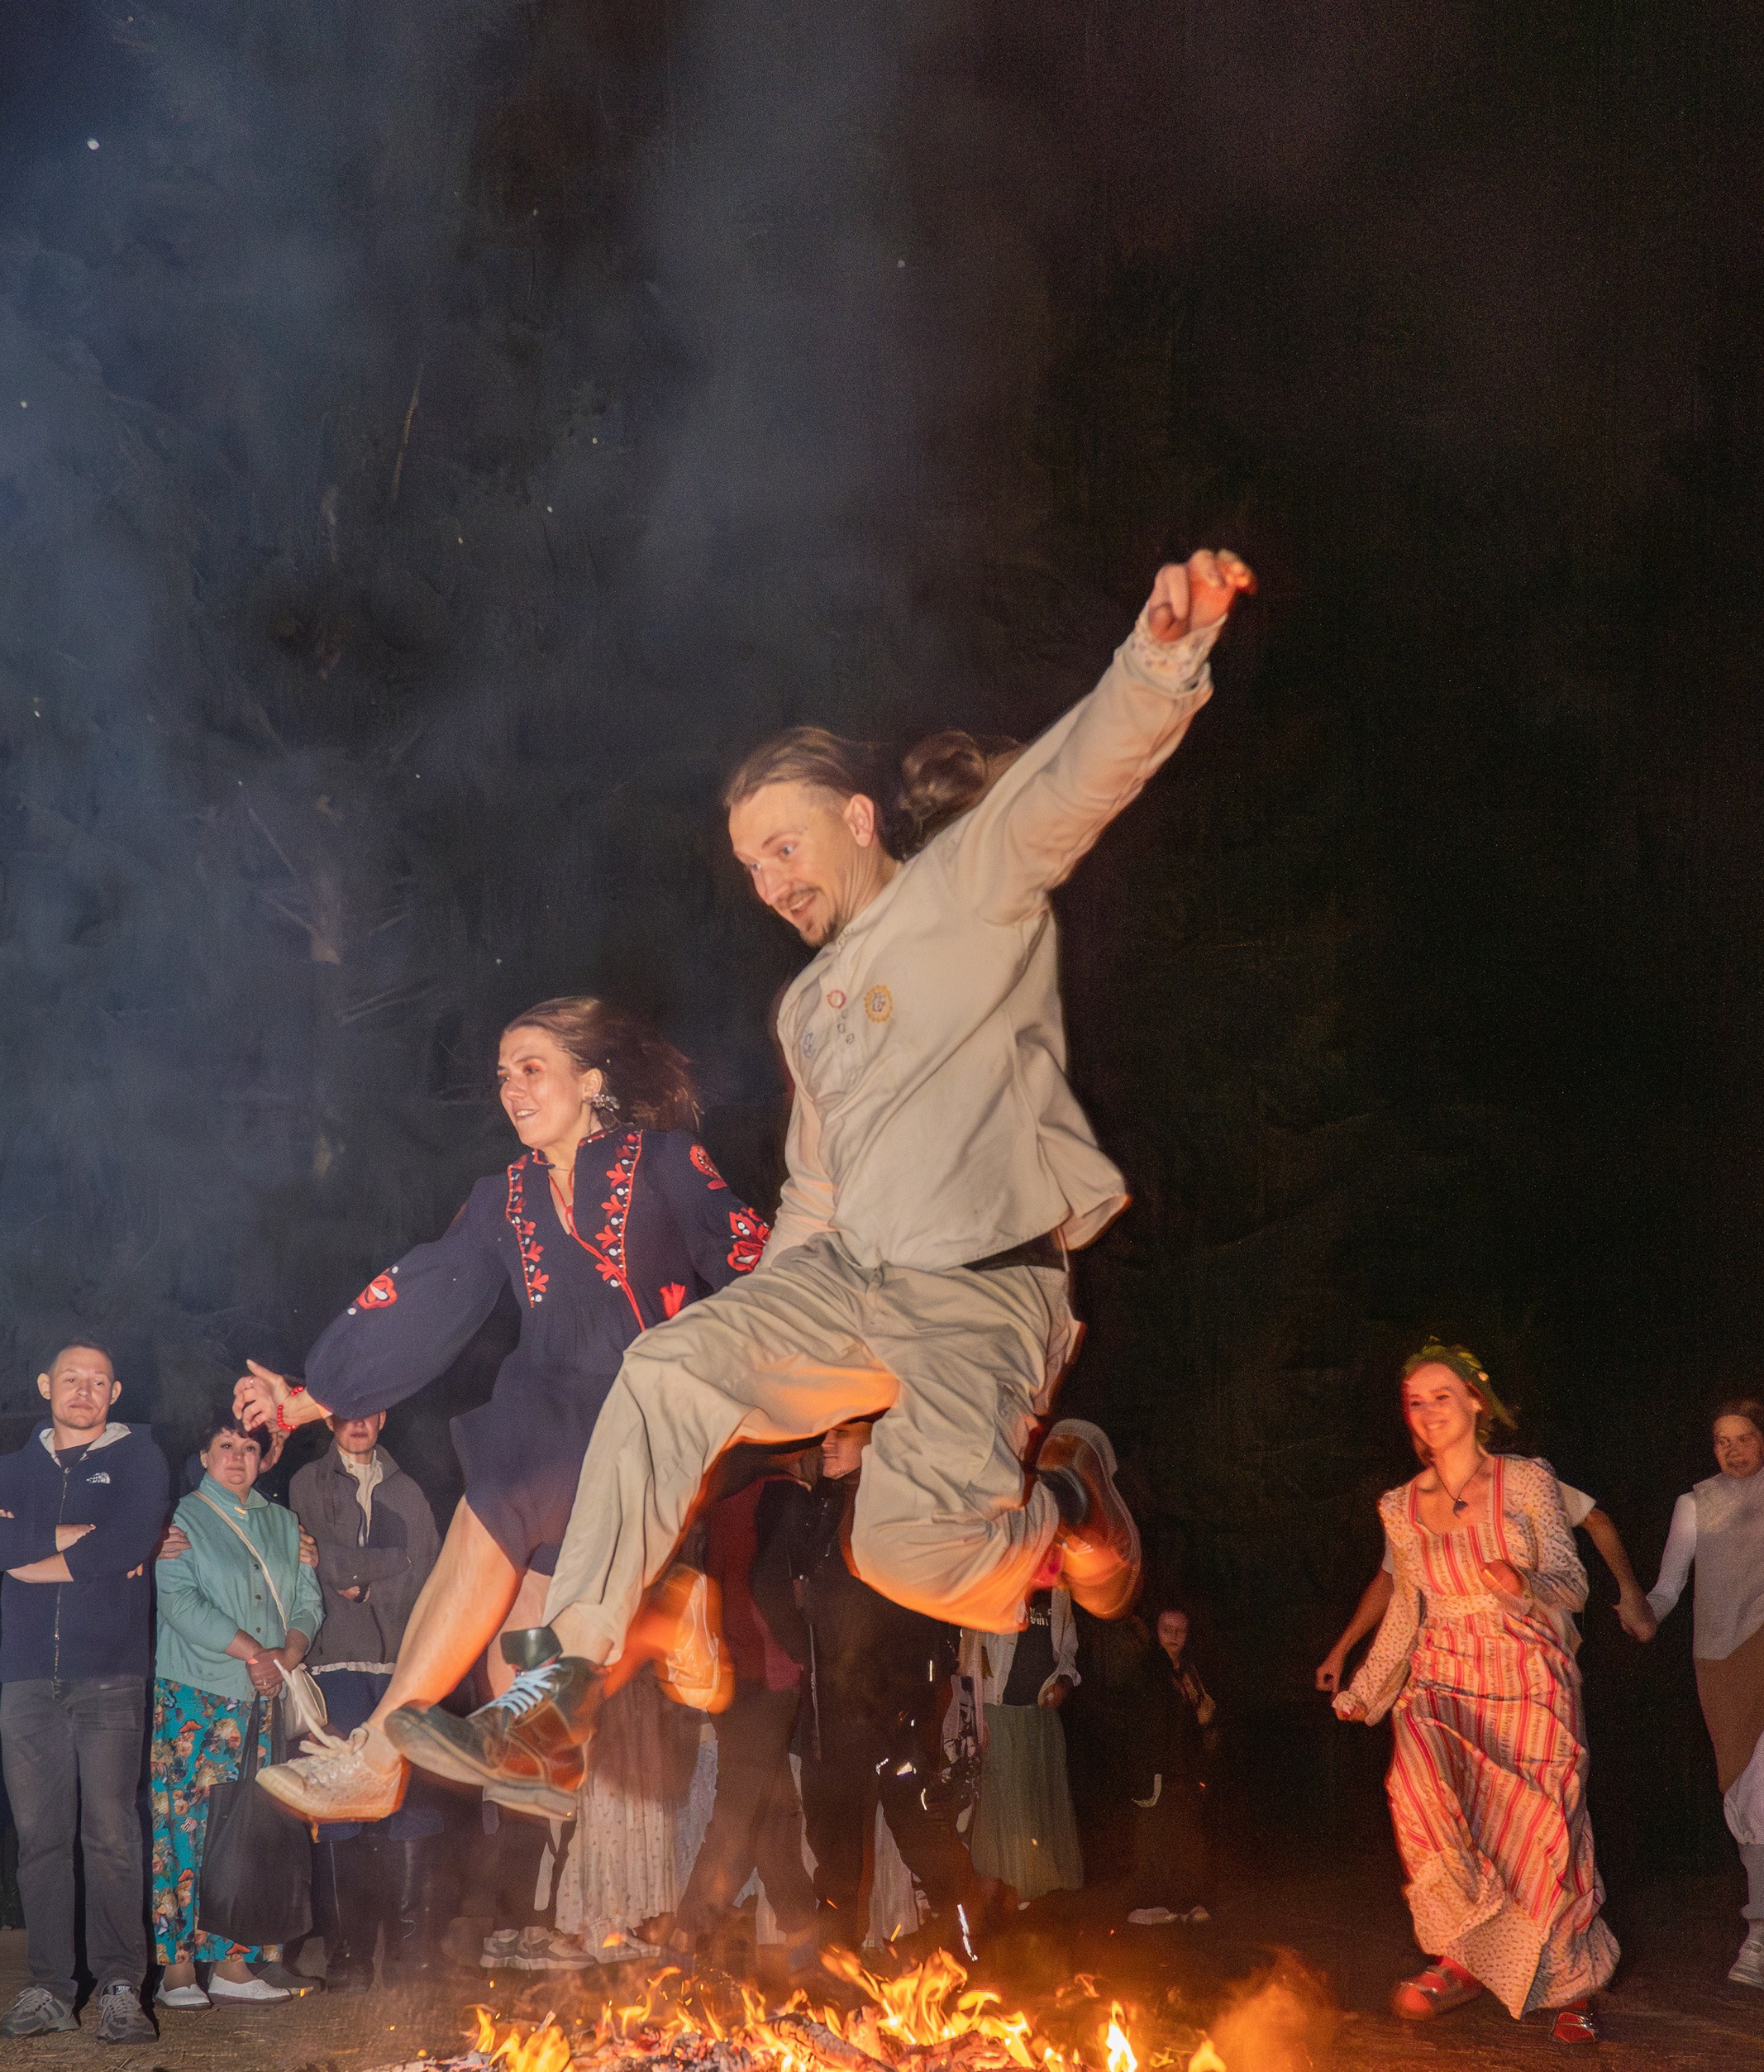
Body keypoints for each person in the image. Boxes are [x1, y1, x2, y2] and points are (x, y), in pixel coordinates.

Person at [394, 549, 1254, 1818]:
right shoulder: (808, 1006)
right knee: (670, 1365)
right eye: (749, 866)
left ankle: (1072, 1498)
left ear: (858, 819)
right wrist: (762, 1350)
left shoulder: (967, 892)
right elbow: (814, 1195)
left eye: (785, 846)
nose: (771, 881)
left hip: (982, 1290)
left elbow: (1073, 786)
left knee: (910, 1557)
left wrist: (1162, 658)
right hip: (856, 1279)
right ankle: (561, 1685)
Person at [234, 999, 766, 1826]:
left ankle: (377, 1756)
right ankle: (629, 1655)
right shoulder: (502, 1198)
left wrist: (829, 1355)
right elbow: (427, 1297)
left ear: (590, 1082)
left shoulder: (662, 1161)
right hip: (544, 1394)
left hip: (640, 1406)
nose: (512, 1090)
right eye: (502, 1077)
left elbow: (748, 1262)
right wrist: (310, 1397)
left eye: (531, 1069)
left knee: (494, 1515)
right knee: (519, 1651)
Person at [1333, 1341, 1616, 2047]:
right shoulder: (1399, 1506)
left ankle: (1574, 1985)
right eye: (1416, 1402)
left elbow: (1572, 1585)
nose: (1429, 1413)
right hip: (1443, 1668)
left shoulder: (1524, 1482)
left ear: (1475, 1403)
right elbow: (1406, 1607)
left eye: (1442, 1396)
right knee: (1419, 1788)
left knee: (1540, 1832)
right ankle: (1462, 1956)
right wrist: (1368, 1687)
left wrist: (1524, 1589)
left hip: (1526, 1669)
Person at [0, 1342, 169, 2044]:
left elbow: (128, 1543)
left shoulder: (139, 1458)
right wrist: (62, 1536)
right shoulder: (10, 1468)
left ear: (116, 1392)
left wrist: (34, 1562)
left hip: (110, 1675)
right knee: (39, 1839)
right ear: (45, 1383)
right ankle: (49, 1986)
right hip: (25, 1681)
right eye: (71, 1378)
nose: (84, 1390)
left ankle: (118, 1987)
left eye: (99, 1381)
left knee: (111, 1834)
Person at [1625, 1397, 1764, 1989]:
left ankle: (1757, 1932)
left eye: (1744, 1438)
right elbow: (1669, 1587)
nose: (1732, 1449)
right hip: (1719, 1662)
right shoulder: (1694, 1503)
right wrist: (1644, 1613)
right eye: (1722, 1440)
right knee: (1743, 1803)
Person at [783, 1423, 991, 1952]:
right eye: (825, 1431)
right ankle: (835, 1971)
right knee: (835, 1857)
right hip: (834, 1721)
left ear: (877, 1438)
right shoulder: (822, 1510)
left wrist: (908, 1709)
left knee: (926, 1842)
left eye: (843, 1432)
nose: (826, 1442)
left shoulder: (900, 1513)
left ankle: (971, 1952)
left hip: (892, 1719)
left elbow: (922, 1620)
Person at [150, 1413, 322, 2007]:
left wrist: (285, 1654)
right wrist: (252, 1652)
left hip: (265, 1697)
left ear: (265, 1459)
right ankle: (176, 1970)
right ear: (204, 1455)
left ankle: (235, 1965)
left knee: (251, 1831)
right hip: (196, 1692)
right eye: (225, 1445)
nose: (237, 1457)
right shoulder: (180, 1518)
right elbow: (176, 1598)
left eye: (250, 1447)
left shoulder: (284, 1524)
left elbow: (306, 1600)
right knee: (187, 1824)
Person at [286, 1406, 446, 1985]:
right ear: (330, 1420)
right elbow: (319, 1562)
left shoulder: (409, 1492)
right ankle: (347, 1957)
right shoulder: (309, 1483)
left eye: (368, 1412)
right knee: (339, 1806)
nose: (358, 1422)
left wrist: (371, 1577)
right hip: (336, 1663)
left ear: (382, 1417)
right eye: (346, 1413)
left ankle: (409, 1957)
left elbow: (429, 1568)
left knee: (410, 1803)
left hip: (407, 1666)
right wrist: (384, 1565)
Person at [650, 1469, 818, 1965]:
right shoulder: (712, 1497)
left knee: (737, 1806)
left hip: (771, 1674)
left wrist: (798, 1649)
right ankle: (801, 1929)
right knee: (766, 1805)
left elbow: (789, 1583)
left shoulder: (782, 1491)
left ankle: (686, 1936)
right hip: (729, 1677)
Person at [1318, 1483, 1649, 1692]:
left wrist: (1630, 1592)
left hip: (1528, 1658)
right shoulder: (1414, 1504)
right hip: (1450, 1667)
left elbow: (1596, 1520)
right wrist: (1341, 1653)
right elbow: (1390, 1580)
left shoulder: (1517, 1481)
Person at [962, 1579, 1084, 1899]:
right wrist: (976, 1713)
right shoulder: (996, 1580)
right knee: (1004, 1800)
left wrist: (1065, 1684)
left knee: (1038, 1799)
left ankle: (1034, 1893)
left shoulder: (1058, 1593)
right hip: (999, 1712)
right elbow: (971, 1653)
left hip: (1039, 1714)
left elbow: (1067, 1652)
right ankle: (1002, 1892)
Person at [1127, 1602, 1217, 1903]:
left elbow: (1200, 1710)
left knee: (1187, 1838)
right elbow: (1155, 1721)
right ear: (1157, 1631)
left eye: (1180, 1630)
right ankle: (1149, 1903)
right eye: (1167, 1629)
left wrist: (1206, 1718)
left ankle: (1187, 1901)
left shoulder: (1188, 1670)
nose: (1174, 1636)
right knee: (1154, 1838)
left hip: (1186, 1770)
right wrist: (1197, 1719)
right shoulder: (1148, 1670)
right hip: (1158, 1770)